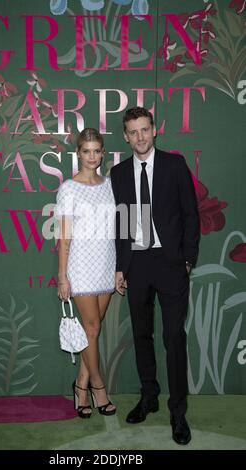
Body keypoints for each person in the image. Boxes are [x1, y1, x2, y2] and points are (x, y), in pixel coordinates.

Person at [110, 107, 200, 445]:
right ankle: (149, 397)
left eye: (144, 130)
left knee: (173, 337)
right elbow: (121, 224)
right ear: (125, 136)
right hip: (137, 263)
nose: (139, 137)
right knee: (142, 335)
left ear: (154, 131)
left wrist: (187, 260)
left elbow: (191, 215)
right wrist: (121, 266)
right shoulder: (118, 173)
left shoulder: (175, 165)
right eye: (132, 132)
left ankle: (178, 411)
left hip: (171, 263)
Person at [55, 128, 117, 419]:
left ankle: (79, 385)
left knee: (94, 330)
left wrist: (120, 268)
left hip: (106, 263)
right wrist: (62, 276)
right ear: (78, 153)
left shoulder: (109, 185)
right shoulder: (68, 188)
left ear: (102, 153)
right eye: (86, 151)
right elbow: (64, 237)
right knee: (91, 328)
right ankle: (97, 386)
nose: (92, 156)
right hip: (80, 266)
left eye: (97, 151)